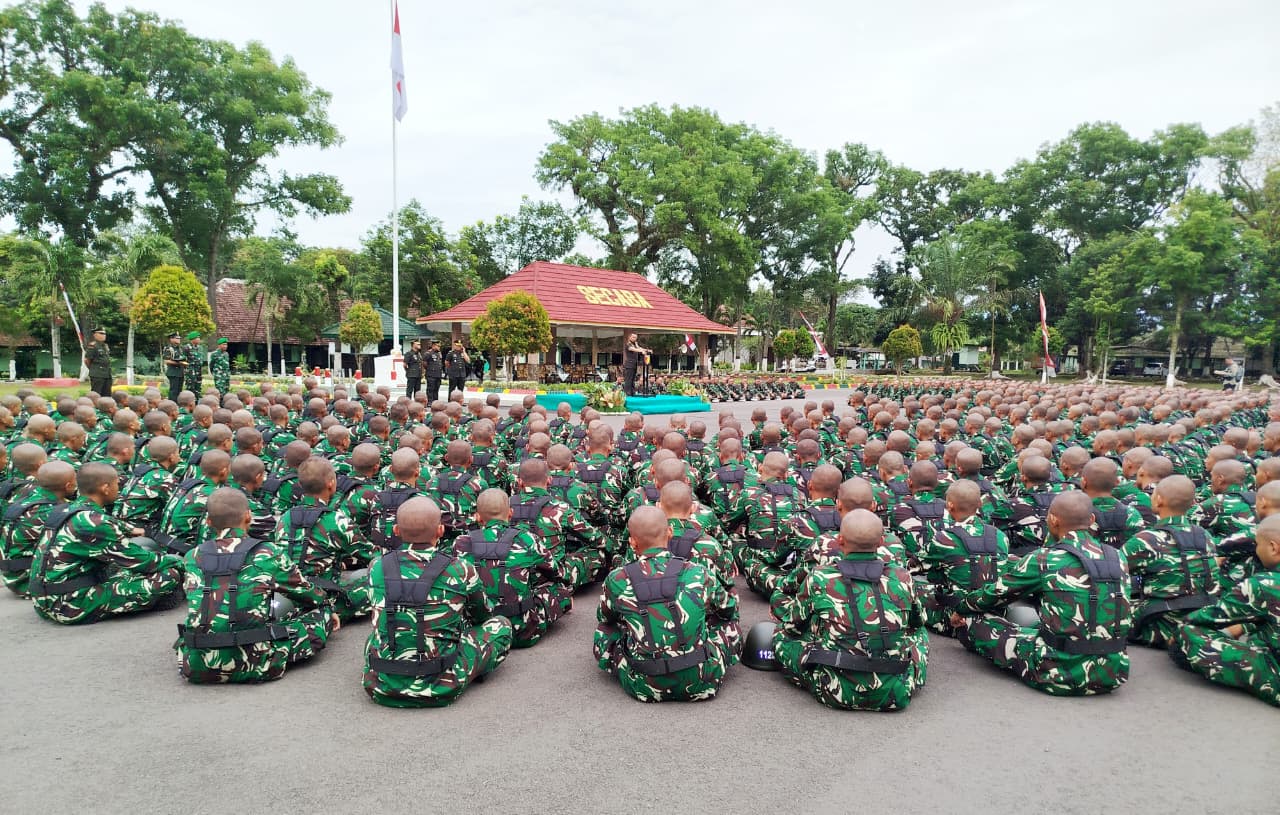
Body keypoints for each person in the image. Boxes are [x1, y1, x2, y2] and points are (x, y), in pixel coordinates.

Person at [951, 491, 1133, 696]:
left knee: (977, 621)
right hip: (1113, 672)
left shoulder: (1045, 558)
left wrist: (962, 608)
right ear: (1091, 520)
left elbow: (995, 594)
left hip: (1056, 673)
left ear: (1053, 520)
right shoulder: (1117, 556)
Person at [363, 496, 513, 707]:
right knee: (501, 626)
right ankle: (472, 666)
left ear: (396, 530)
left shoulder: (377, 567)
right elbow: (481, 614)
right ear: (441, 531)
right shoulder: (460, 569)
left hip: (380, 686)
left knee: (379, 631)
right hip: (443, 686)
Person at [176, 488, 336, 684]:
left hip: (195, 664)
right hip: (257, 663)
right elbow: (306, 593)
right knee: (320, 613)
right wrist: (326, 604)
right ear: (248, 516)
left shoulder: (192, 556)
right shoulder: (268, 552)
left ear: (208, 522)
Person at [773, 509, 929, 711]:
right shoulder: (902, 577)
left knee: (780, 637)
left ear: (839, 540)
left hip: (833, 690)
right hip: (895, 693)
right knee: (920, 633)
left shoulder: (819, 577)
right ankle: (907, 676)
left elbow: (792, 627)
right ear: (881, 542)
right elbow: (917, 622)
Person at [593, 505, 739, 703]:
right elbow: (728, 609)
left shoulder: (617, 578)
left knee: (605, 630)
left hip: (642, 685)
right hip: (702, 680)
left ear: (632, 542)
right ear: (669, 533)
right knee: (729, 623)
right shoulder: (698, 572)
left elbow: (605, 618)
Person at [29, 462, 185, 624]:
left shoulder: (70, 509)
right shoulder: (95, 522)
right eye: (117, 484)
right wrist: (181, 561)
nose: (120, 488)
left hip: (47, 597)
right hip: (69, 605)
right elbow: (145, 563)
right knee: (169, 574)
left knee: (141, 546)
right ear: (105, 488)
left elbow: (112, 526)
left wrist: (131, 530)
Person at [1168, 514, 1279, 707]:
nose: (1257, 550)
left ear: (1273, 547)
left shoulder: (1264, 584)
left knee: (1186, 631)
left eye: (1258, 545)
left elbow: (1213, 616)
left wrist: (1183, 623)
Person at [622, 332, 651, 397]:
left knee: (633, 379)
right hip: (629, 364)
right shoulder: (628, 344)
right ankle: (627, 393)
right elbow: (633, 349)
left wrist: (647, 350)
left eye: (636, 337)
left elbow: (639, 348)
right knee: (628, 379)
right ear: (629, 337)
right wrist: (641, 351)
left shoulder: (635, 344)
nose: (635, 339)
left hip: (634, 364)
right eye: (633, 337)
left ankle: (632, 392)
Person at [86, 327, 112, 396]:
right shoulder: (93, 346)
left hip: (107, 374)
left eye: (104, 334)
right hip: (97, 374)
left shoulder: (105, 346)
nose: (104, 335)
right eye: (101, 333)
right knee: (96, 394)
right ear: (95, 335)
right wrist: (94, 369)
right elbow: (87, 360)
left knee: (107, 394)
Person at [161, 333, 186, 402]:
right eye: (177, 338)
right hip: (173, 372)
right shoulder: (169, 348)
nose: (179, 340)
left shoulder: (180, 349)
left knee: (179, 390)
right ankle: (172, 404)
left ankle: (178, 404)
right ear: (171, 339)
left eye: (179, 338)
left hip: (180, 372)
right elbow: (166, 361)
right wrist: (179, 363)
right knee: (173, 390)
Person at [183, 331, 204, 396]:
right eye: (197, 338)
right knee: (191, 387)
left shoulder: (200, 348)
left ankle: (197, 402)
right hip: (190, 371)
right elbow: (182, 359)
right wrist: (187, 367)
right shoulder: (186, 347)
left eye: (199, 338)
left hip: (199, 370)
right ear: (193, 339)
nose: (199, 339)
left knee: (198, 387)